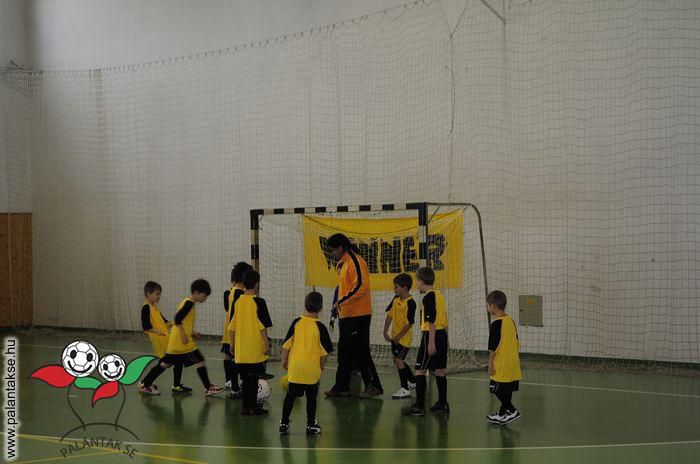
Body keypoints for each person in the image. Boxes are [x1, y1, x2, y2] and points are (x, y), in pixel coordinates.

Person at [140, 279, 224, 397]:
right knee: (199, 359)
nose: (205, 298)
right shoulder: (189, 303)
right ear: (196, 292)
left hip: (176, 342)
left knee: (165, 364)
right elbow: (177, 319)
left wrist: (192, 332)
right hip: (182, 343)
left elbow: (181, 322)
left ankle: (146, 383)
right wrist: (184, 334)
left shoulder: (187, 302)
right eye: (204, 295)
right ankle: (208, 387)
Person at [324, 233, 383, 399]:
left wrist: (342, 301)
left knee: (361, 352)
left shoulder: (356, 261)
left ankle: (373, 386)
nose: (332, 253)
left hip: (358, 316)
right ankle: (341, 387)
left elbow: (361, 286)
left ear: (340, 248)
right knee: (344, 353)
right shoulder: (344, 263)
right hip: (346, 316)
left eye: (333, 250)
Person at [279, 291, 333, 435]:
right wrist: (322, 366)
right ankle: (310, 425)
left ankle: (284, 423)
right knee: (311, 399)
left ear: (304, 305)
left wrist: (284, 359)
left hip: (296, 369)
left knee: (290, 397)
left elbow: (286, 345)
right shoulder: (320, 327)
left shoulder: (296, 323)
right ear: (321, 308)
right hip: (311, 371)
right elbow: (324, 352)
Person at [406, 267, 449, 416]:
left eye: (417, 281)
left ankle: (419, 406)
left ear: (420, 281)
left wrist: (430, 342)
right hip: (441, 335)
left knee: (420, 369)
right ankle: (443, 403)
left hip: (431, 336)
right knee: (439, 370)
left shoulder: (428, 297)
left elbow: (431, 321)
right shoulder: (439, 295)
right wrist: (446, 339)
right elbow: (444, 318)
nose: (417, 284)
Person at [228, 270, 273, 415]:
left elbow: (232, 326)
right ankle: (252, 406)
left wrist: (232, 344)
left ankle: (245, 407)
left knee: (245, 379)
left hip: (241, 350)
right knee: (253, 379)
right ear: (257, 284)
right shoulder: (259, 302)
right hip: (255, 349)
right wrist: (266, 343)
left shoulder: (238, 302)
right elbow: (262, 326)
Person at [140, 281, 190, 393]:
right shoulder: (146, 307)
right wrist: (157, 332)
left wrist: (177, 321)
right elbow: (146, 326)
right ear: (148, 294)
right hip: (159, 340)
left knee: (176, 359)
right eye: (156, 294)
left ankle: (175, 385)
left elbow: (165, 322)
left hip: (166, 339)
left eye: (159, 294)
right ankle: (145, 384)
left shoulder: (154, 307)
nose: (159, 296)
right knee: (165, 363)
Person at [486, 290, 522, 425]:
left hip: (501, 364)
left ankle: (512, 411)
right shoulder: (510, 321)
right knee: (506, 389)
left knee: (496, 388)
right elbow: (516, 341)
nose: (487, 308)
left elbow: (493, 347)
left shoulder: (496, 324)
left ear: (493, 306)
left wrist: (490, 363)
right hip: (512, 362)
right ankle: (502, 413)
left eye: (488, 305)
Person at [221, 262, 253, 397]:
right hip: (235, 332)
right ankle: (234, 384)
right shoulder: (240, 293)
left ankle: (229, 380)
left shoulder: (230, 291)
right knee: (236, 358)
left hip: (228, 330)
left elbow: (227, 309)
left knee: (229, 356)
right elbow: (237, 313)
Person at [383, 273, 417, 399]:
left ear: (404, 288)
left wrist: (399, 336)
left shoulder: (411, 303)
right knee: (396, 360)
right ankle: (412, 381)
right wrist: (385, 331)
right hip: (394, 337)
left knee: (399, 361)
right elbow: (389, 315)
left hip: (404, 338)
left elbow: (409, 323)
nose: (394, 289)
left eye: (396, 287)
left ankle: (405, 388)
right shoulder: (395, 299)